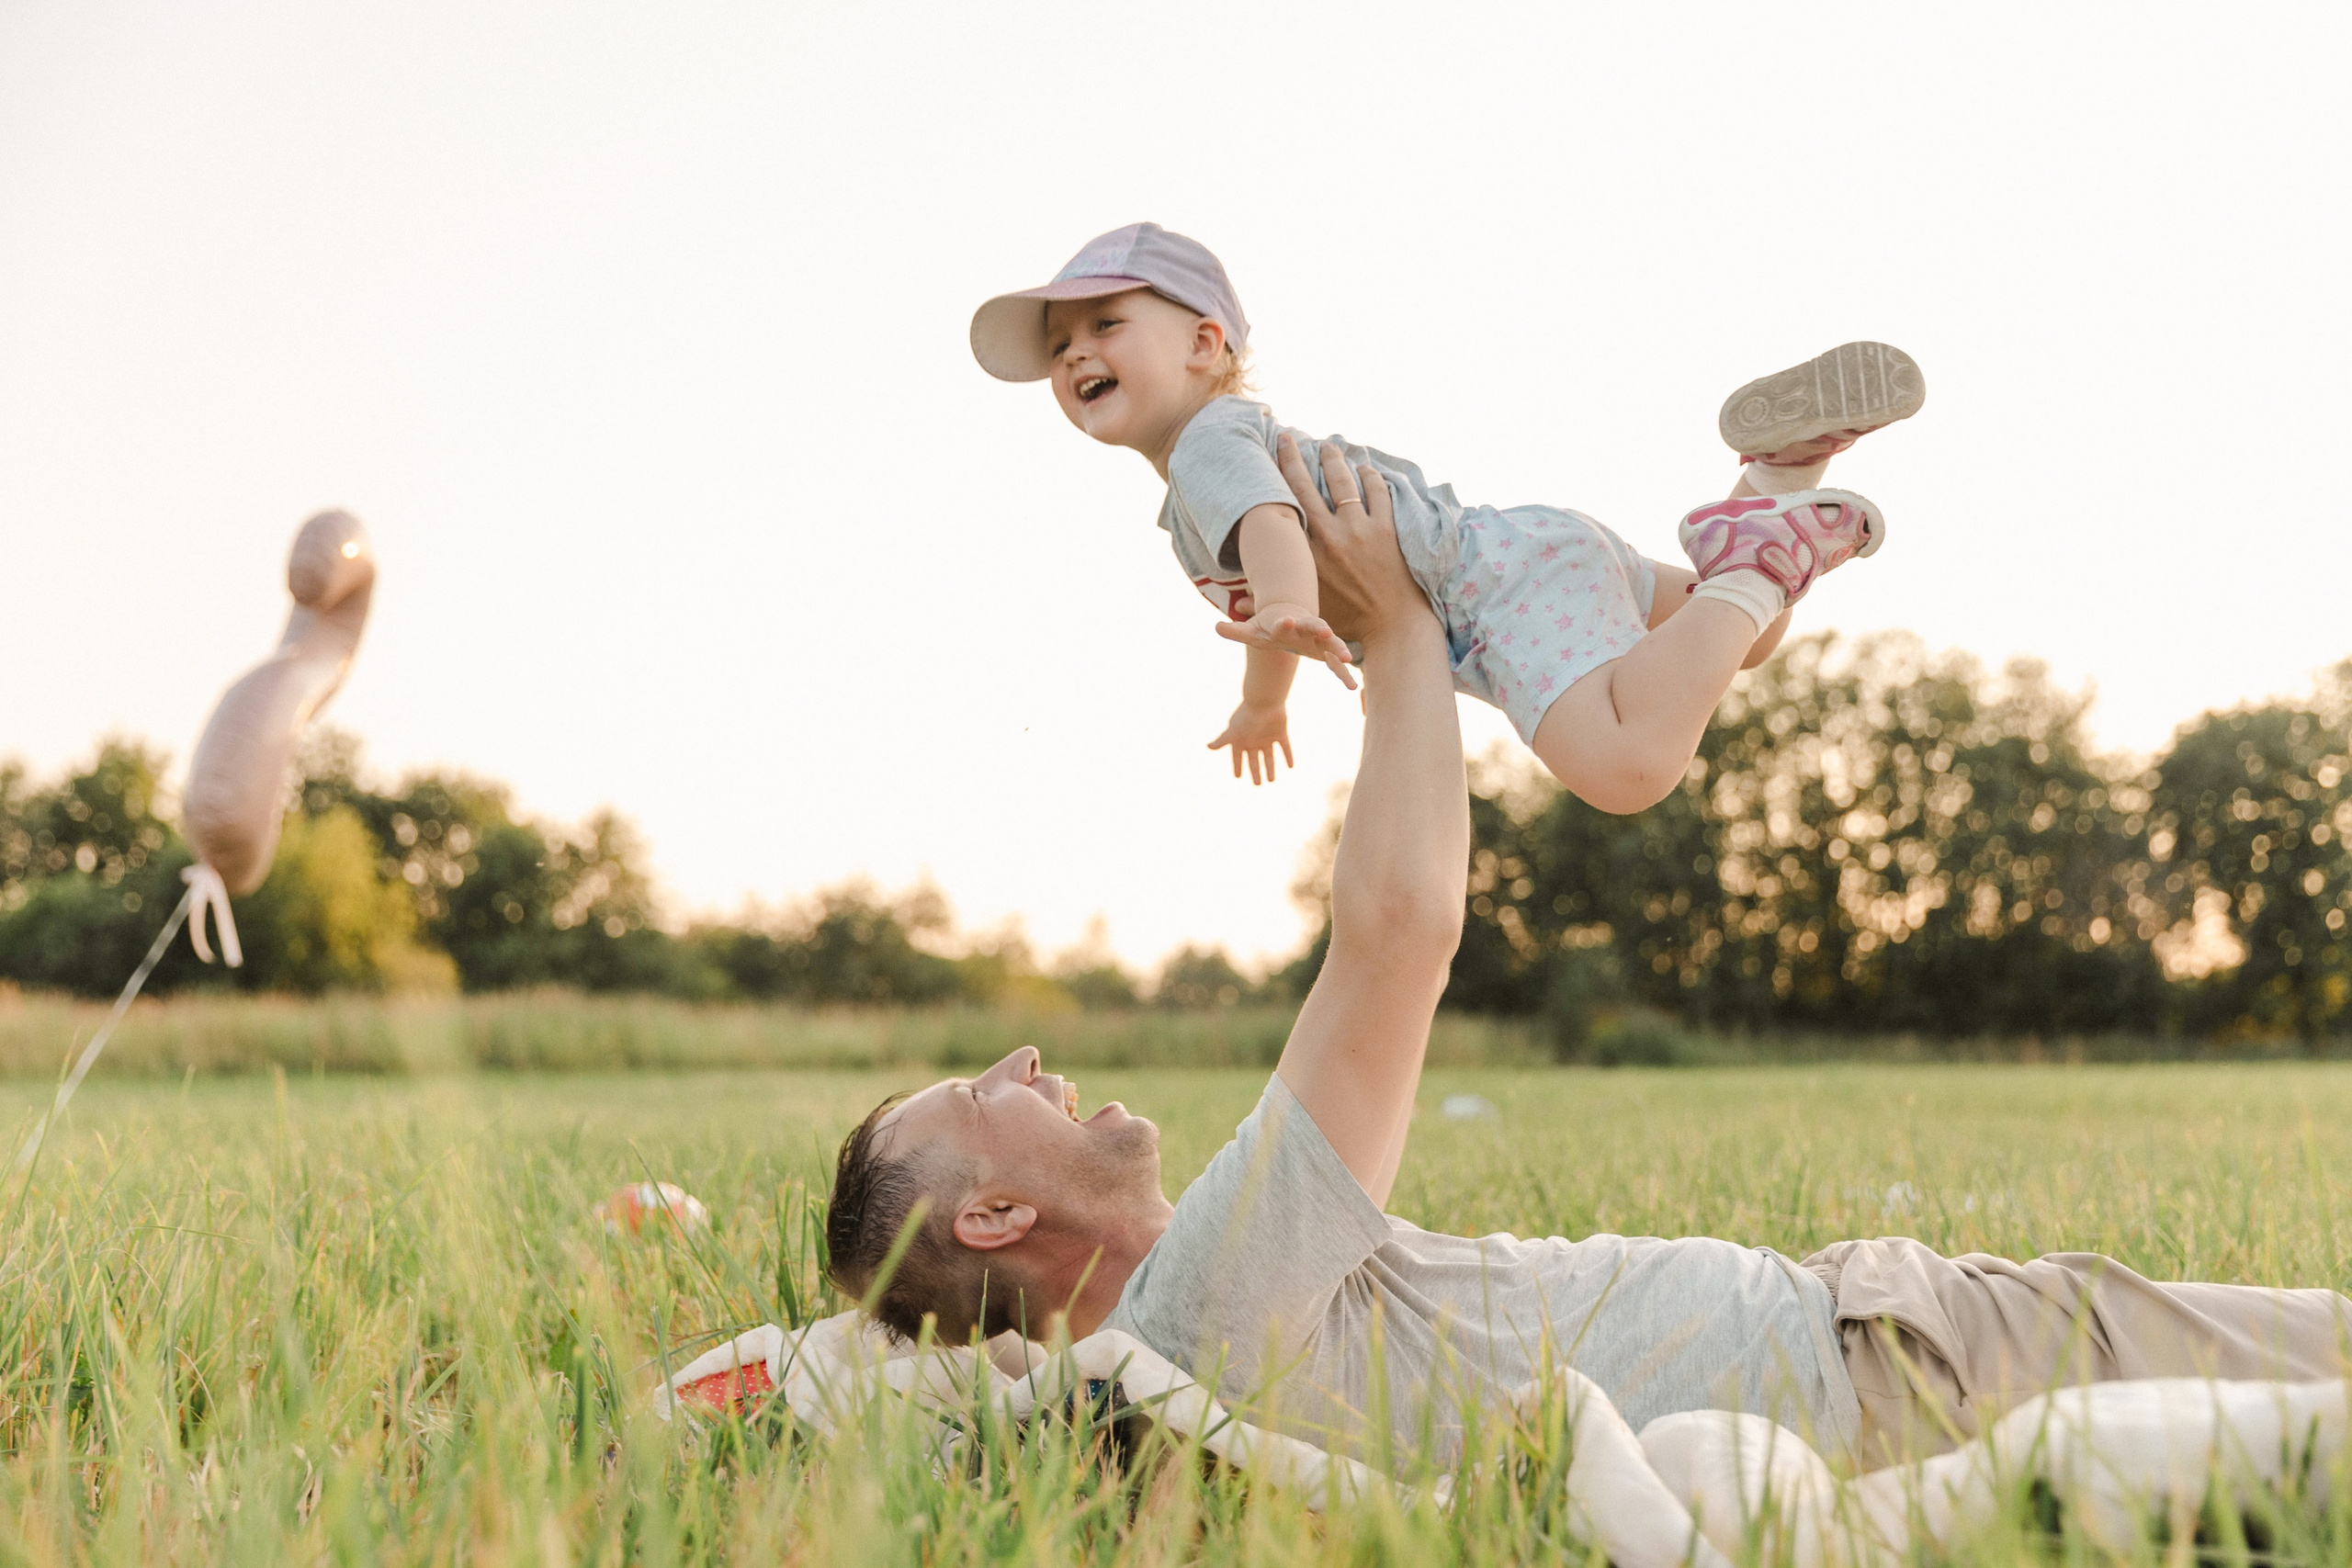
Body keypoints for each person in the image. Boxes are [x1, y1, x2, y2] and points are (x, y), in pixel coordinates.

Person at [827, 443, 2350, 1469]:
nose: (1024, 1057)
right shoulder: (1200, 1300)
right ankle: (1743, 555)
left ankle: (1741, 552)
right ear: (997, 1215)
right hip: (1908, 1364)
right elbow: (1401, 931)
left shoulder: (1154, 1351)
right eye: (978, 1090)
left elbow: (867, 1359)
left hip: (1884, 1341)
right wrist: (1400, 632)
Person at [969, 221, 1918, 810]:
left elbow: (1270, 528)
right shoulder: (1221, 451)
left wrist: (1289, 610)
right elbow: (1265, 572)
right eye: (1058, 345)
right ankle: (1779, 477)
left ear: (1204, 343)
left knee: (1627, 766)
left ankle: (1761, 553)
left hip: (1492, 593)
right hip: (1522, 547)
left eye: (1104, 324)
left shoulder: (1207, 447)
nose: (1073, 354)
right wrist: (1266, 694)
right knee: (1742, 638)